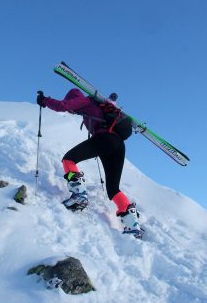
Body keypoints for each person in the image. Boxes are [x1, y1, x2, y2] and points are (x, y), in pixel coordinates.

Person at [37, 88, 142, 238]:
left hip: (105, 140)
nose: (72, 110)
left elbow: (63, 106)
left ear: (73, 98)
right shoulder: (95, 106)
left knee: (69, 159)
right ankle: (133, 225)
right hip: (118, 145)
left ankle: (79, 195)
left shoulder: (83, 100)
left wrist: (45, 100)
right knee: (113, 188)